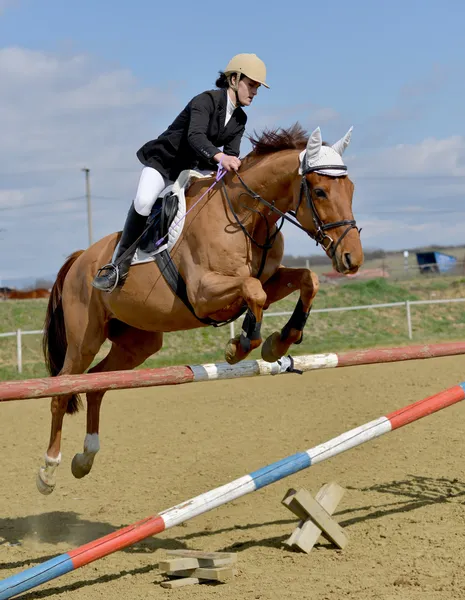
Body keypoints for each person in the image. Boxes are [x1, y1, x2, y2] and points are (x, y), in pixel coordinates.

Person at [92, 53, 269, 292]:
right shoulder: (204, 101)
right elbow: (195, 137)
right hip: (165, 163)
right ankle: (117, 266)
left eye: (257, 87)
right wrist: (220, 158)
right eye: (252, 85)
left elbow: (231, 154)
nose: (255, 92)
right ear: (234, 79)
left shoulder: (240, 118)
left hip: (194, 170)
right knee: (144, 202)